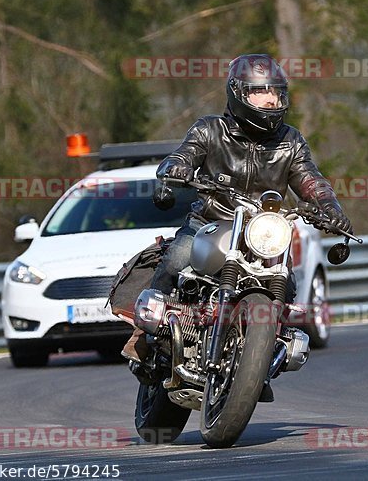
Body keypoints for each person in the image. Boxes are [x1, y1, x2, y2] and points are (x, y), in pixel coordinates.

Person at [121, 54, 352, 368]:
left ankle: (260, 360)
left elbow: (311, 180)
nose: (271, 100)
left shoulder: (291, 142)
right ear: (239, 92)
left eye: (276, 93)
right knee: (178, 257)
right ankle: (143, 334)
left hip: (262, 234)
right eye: (261, 92)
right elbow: (182, 156)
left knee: (287, 285)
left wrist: (330, 207)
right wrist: (174, 173)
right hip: (211, 223)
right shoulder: (210, 130)